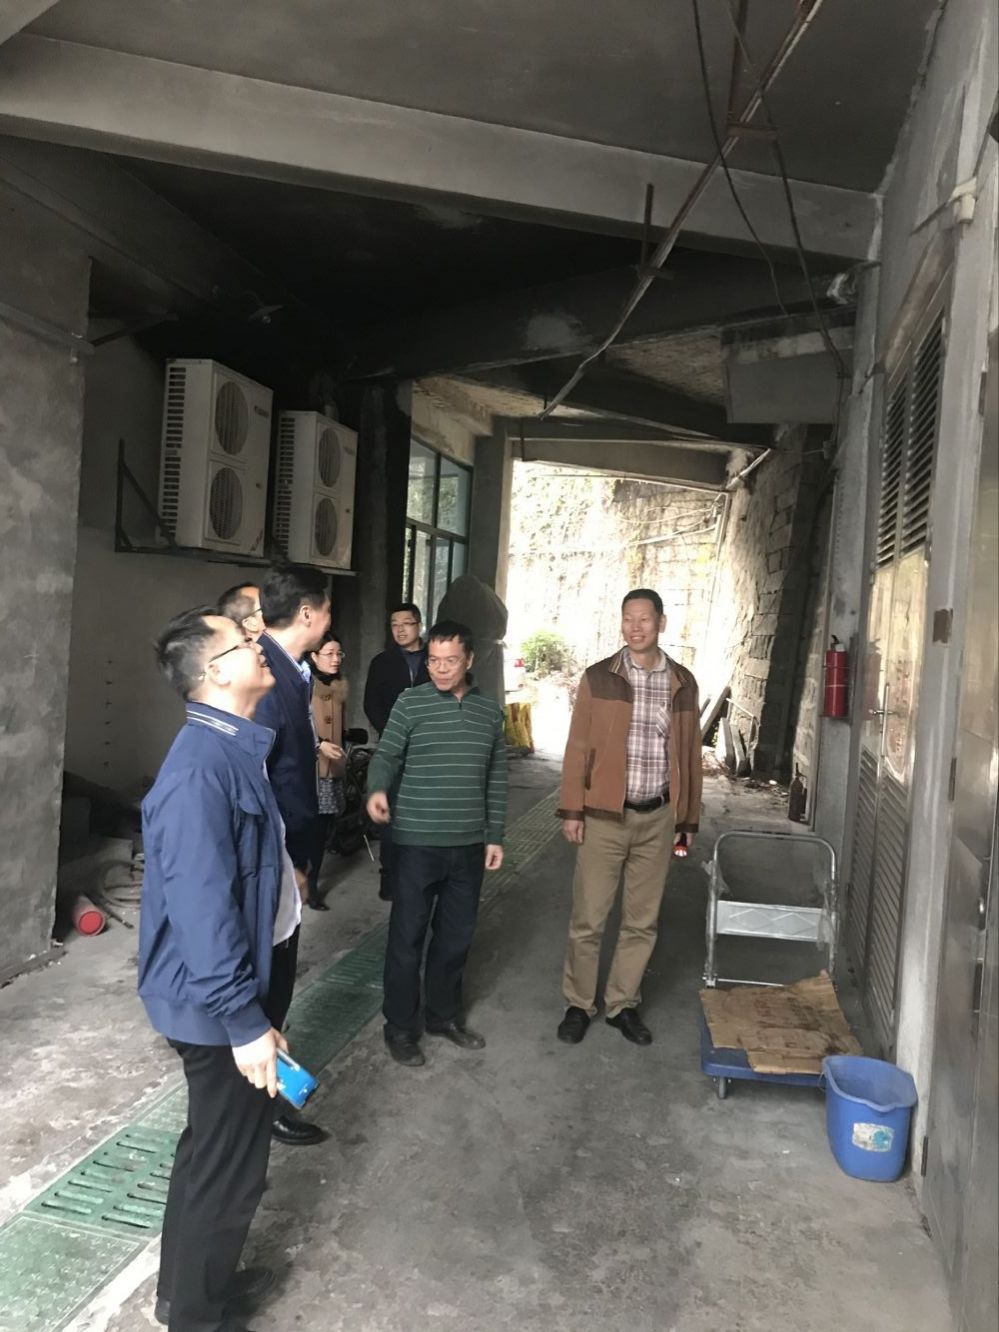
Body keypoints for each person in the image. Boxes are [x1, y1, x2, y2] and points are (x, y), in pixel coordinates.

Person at [138, 607, 295, 1332]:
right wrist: (244, 1021)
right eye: (244, 640)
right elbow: (202, 911)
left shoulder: (230, 746)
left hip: (227, 990)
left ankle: (185, 1295)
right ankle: (197, 1318)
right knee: (231, 1168)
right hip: (212, 1001)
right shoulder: (200, 770)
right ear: (216, 671)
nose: (259, 645)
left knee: (209, 1150)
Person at [556, 588, 702, 1047]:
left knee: (642, 920)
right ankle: (579, 1003)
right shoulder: (599, 678)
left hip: (658, 818)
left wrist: (686, 820)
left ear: (661, 623)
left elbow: (689, 755)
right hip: (604, 818)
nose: (635, 627)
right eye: (628, 618)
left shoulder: (682, 681)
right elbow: (578, 747)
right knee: (589, 918)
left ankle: (622, 1004)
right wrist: (573, 809)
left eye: (644, 619)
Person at [366, 620, 508, 1068]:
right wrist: (377, 788)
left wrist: (495, 835)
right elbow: (387, 753)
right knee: (406, 938)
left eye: (450, 661)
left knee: (455, 938)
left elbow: (496, 776)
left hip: (467, 844)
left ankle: (442, 1016)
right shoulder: (410, 703)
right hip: (416, 843)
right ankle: (400, 1027)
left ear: (470, 660)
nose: (441, 669)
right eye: (433, 661)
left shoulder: (489, 712)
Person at [253, 564, 332, 1147]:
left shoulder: (293, 672)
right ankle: (259, 1111)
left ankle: (265, 1101)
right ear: (307, 612)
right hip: (271, 855)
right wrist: (292, 859)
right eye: (327, 609)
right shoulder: (265, 677)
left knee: (278, 982)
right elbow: (265, 783)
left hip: (285, 853)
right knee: (266, 986)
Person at [363, 603, 430, 900]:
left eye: (406, 623)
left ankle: (420, 873)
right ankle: (388, 874)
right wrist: (392, 734)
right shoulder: (382, 662)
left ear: (419, 625)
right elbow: (371, 703)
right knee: (390, 811)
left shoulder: (435, 659)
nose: (400, 630)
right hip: (393, 748)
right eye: (394, 624)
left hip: (428, 749)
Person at [305, 630, 348, 910]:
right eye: (329, 653)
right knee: (313, 829)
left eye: (338, 653)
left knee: (326, 825)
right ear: (313, 656)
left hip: (334, 767)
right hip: (311, 769)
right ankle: (309, 886)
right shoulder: (304, 684)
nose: (335, 659)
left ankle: (311, 879)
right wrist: (318, 744)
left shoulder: (339, 684)